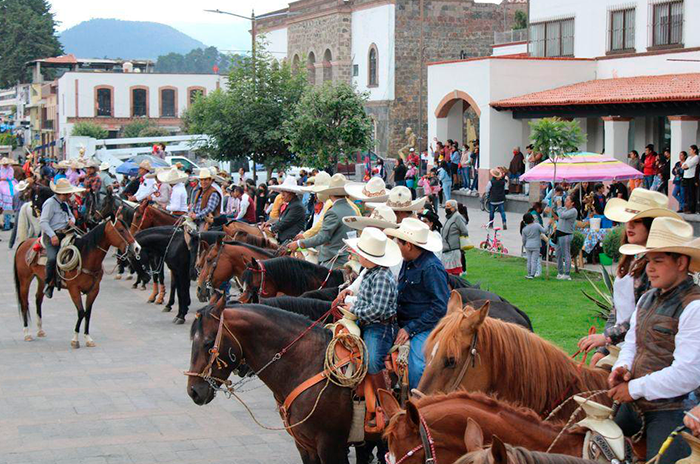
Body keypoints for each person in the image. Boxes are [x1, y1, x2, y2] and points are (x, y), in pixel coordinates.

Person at [609, 217, 700, 464]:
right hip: (637, 404)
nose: (649, 268)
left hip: (674, 410)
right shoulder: (647, 298)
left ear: (681, 262)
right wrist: (623, 367)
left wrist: (633, 388)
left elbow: (686, 375)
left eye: (658, 261)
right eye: (649, 260)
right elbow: (631, 342)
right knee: (588, 443)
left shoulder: (694, 306)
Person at [578, 189, 682, 365]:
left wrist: (606, 338)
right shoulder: (630, 259)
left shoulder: (658, 269)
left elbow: (646, 315)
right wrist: (603, 348)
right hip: (622, 345)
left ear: (652, 226)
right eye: (628, 220)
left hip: (646, 351)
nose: (629, 226)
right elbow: (616, 309)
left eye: (637, 221)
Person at [340, 227, 401, 423]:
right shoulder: (369, 272)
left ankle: (387, 405)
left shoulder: (382, 277)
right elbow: (368, 300)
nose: (358, 257)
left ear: (371, 258)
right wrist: (353, 299)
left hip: (381, 327)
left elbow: (378, 310)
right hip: (368, 321)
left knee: (373, 359)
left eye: (361, 254)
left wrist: (354, 308)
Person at [385, 218, 449, 389]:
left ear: (409, 246)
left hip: (425, 326)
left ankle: (419, 404)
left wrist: (410, 328)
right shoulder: (408, 262)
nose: (397, 246)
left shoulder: (431, 268)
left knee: (417, 367)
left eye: (399, 242)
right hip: (403, 321)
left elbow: (440, 307)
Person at [288, 174, 358, 268]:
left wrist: (298, 243)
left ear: (330, 193)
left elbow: (322, 237)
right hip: (346, 256)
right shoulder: (351, 209)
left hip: (333, 259)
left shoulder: (333, 212)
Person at [39, 178, 84, 298]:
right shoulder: (50, 203)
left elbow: (71, 216)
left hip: (67, 233)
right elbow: (43, 222)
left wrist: (72, 221)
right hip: (52, 235)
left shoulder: (64, 204)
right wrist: (52, 235)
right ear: (61, 193)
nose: (69, 195)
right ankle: (49, 283)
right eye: (67, 193)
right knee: (53, 258)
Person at [552, 195, 577, 280]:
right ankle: (560, 272)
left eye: (567, 200)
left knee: (566, 254)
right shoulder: (564, 209)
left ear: (572, 203)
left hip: (566, 234)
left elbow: (562, 215)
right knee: (558, 254)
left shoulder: (573, 211)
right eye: (565, 199)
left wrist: (559, 206)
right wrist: (555, 203)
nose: (565, 201)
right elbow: (557, 211)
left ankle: (567, 274)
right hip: (559, 234)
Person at [440, 199, 468, 275]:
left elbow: (464, 231)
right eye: (445, 206)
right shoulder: (448, 217)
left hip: (454, 249)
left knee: (454, 273)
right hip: (446, 249)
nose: (446, 208)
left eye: (448, 206)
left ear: (454, 207)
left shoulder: (457, 217)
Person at [521, 213, 546, 279]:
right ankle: (532, 275)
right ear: (532, 218)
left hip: (528, 246)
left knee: (529, 260)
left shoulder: (524, 229)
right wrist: (549, 225)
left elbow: (523, 239)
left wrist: (524, 245)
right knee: (534, 260)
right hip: (536, 245)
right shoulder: (537, 225)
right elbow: (544, 231)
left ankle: (529, 274)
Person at [0, 157, 18, 230]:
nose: (5, 165)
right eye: (4, 164)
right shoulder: (1, 169)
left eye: (6, 164)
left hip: (8, 183)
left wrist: (3, 179)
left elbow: (10, 177)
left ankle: (7, 224)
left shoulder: (10, 169)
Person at [682, 146, 699, 214]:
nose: (689, 150)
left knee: (692, 193)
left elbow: (689, 165)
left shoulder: (696, 157)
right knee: (687, 193)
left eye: (690, 149)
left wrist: (685, 165)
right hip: (686, 176)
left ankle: (692, 209)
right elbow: (683, 165)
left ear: (694, 150)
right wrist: (684, 166)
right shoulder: (689, 157)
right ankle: (688, 208)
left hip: (692, 177)